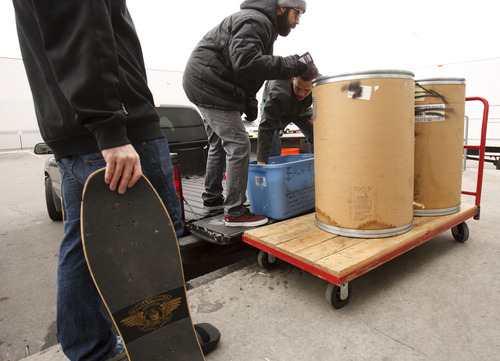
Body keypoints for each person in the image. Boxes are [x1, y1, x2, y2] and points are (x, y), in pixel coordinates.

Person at [12, 1, 218, 360]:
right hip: (117, 127)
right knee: (152, 236)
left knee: (85, 241)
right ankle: (163, 345)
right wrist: (108, 127)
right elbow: (80, 26)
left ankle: (93, 350)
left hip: (72, 127)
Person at [183, 0, 311, 227]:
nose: (297, 22)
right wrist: (290, 64)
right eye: (297, 13)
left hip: (209, 83)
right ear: (282, 7)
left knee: (218, 143)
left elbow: (244, 72)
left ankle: (212, 198)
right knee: (239, 144)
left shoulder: (261, 23)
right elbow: (247, 64)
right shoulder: (256, 21)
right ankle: (234, 212)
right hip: (211, 86)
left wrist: (249, 101)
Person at [257, 63, 319, 164]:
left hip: (302, 109)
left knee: (317, 132)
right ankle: (273, 169)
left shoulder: (319, 85)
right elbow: (266, 127)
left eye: (307, 91)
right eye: (298, 88)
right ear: (293, 79)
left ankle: (318, 167)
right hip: (278, 108)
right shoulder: (278, 94)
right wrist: (262, 161)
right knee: (272, 138)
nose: (302, 94)